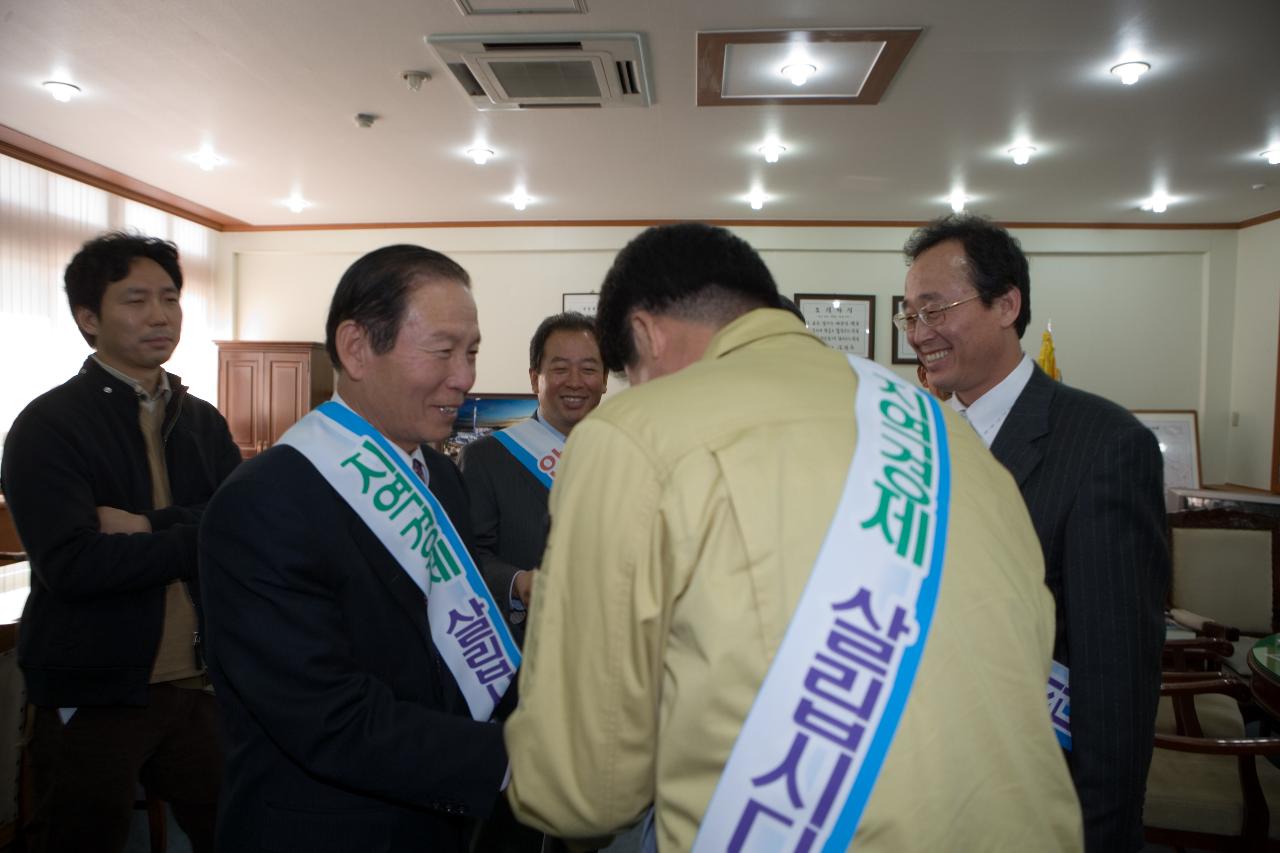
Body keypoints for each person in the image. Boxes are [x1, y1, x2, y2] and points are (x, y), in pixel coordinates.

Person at [504, 222, 1082, 851]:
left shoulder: (634, 432)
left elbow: (580, 790)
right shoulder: (944, 428)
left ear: (645, 333)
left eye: (633, 374)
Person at [198, 245, 518, 853]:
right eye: (443, 350)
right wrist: (517, 759)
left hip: (439, 816)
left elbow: (455, 640)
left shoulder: (441, 477)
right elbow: (327, 716)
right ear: (356, 348)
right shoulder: (265, 501)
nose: (465, 376)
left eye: (471, 351)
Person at [899, 213, 1169, 853]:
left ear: (1006, 304)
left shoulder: (1105, 445)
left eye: (936, 309)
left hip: (1035, 801)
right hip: (924, 787)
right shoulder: (918, 439)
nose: (919, 333)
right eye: (909, 316)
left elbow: (1115, 679)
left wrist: (1098, 834)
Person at [1, 231, 240, 853]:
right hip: (94, 686)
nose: (160, 315)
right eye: (135, 300)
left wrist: (147, 526)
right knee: (79, 838)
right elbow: (73, 566)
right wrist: (200, 533)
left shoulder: (201, 420)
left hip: (198, 683)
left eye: (169, 298)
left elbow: (246, 531)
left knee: (240, 828)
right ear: (88, 317)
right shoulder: (48, 426)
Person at [460, 311, 607, 645]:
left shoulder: (629, 456)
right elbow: (464, 558)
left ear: (605, 378)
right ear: (534, 378)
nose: (575, 381)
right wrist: (517, 582)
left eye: (588, 369)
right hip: (524, 649)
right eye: (559, 368)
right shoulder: (486, 457)